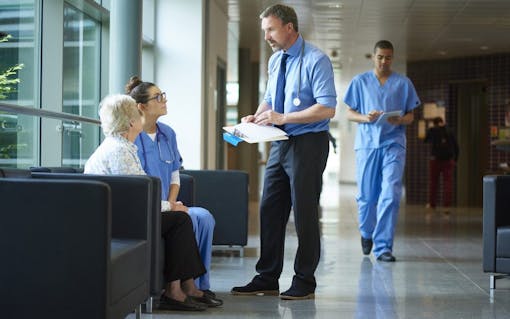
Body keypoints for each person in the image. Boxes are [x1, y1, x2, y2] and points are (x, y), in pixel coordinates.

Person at [231, 4, 337, 300]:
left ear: (289, 28)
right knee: (270, 208)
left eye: (271, 30)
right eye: (264, 30)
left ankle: (305, 281)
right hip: (280, 141)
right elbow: (269, 100)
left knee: (304, 212)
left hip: (309, 143)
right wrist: (257, 116)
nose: (266, 36)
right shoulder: (276, 60)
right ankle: (267, 276)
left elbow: (327, 107)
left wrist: (284, 117)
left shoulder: (316, 60)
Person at [84, 94, 222, 311]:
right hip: (117, 218)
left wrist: (171, 206)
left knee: (179, 219)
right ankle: (176, 290)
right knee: (179, 220)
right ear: (131, 122)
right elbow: (138, 198)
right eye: (139, 115)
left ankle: (185, 287)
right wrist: (171, 206)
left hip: (123, 212)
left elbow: (139, 193)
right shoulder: (119, 151)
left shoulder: (124, 147)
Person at [125, 76, 217, 298]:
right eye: (158, 97)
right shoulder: (131, 137)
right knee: (186, 219)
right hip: (151, 207)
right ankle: (181, 287)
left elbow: (175, 174)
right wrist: (168, 207)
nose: (164, 100)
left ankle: (197, 284)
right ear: (142, 106)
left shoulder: (168, 133)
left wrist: (173, 202)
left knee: (204, 217)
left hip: (169, 203)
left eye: (163, 95)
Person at [343, 40, 421, 262]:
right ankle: (366, 233)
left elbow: (411, 115)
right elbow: (349, 113)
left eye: (388, 57)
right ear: (373, 57)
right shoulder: (360, 82)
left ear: (392, 58)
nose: (384, 61)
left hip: (393, 143)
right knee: (367, 197)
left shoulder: (403, 83)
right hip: (367, 144)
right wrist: (365, 117)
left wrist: (400, 119)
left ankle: (384, 247)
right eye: (380, 57)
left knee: (391, 192)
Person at [424, 116, 459, 213]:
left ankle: (432, 204)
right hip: (448, 160)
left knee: (433, 183)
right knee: (447, 183)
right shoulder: (449, 131)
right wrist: (455, 159)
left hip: (435, 160)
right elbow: (456, 146)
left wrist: (431, 129)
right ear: (442, 122)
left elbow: (425, 140)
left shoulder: (432, 130)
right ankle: (447, 206)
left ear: (434, 123)